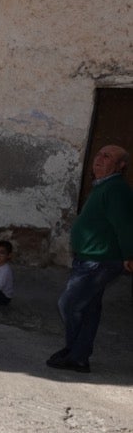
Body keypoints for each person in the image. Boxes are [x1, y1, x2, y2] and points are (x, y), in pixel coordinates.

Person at [47, 144, 133, 373]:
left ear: (120, 166)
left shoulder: (115, 189)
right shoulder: (103, 187)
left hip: (100, 261)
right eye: (98, 154)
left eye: (107, 157)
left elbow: (125, 225)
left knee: (69, 303)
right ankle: (79, 357)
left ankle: (75, 351)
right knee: (90, 308)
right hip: (91, 259)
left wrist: (129, 254)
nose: (99, 159)